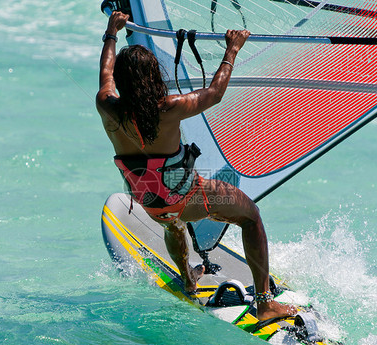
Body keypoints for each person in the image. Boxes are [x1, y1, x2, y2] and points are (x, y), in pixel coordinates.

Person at [96, 11, 296, 320]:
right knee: (251, 217)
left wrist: (112, 31)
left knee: (171, 222)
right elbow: (214, 94)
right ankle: (265, 304)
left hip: (149, 203)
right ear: (152, 77)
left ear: (122, 81)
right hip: (190, 199)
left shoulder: (107, 106)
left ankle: (188, 277)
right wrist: (232, 49)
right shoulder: (170, 108)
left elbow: (106, 70)